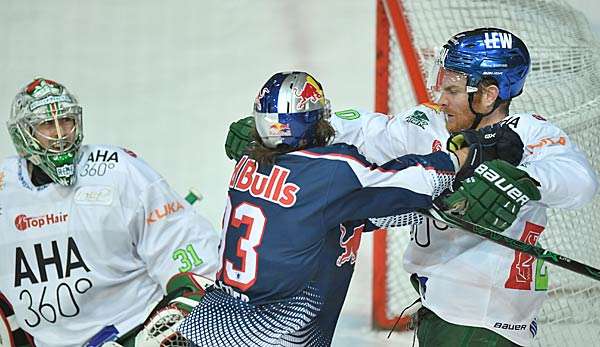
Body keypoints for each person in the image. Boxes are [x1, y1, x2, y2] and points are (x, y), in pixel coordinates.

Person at [224, 29, 599, 346]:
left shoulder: (531, 133)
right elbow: (368, 128)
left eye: (452, 89)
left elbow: (579, 180)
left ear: (486, 94)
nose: (441, 98)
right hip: (441, 314)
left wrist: (528, 181)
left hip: (485, 322)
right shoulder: (430, 125)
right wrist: (283, 126)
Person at [180, 70, 540, 347]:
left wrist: (441, 209)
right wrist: (470, 150)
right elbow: (419, 178)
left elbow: (342, 218)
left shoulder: (247, 164)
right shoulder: (332, 171)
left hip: (212, 321)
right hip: (273, 336)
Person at [0, 78, 220, 347]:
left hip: (134, 332)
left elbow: (189, 251)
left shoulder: (118, 170)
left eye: (67, 121)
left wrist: (176, 318)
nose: (60, 134)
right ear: (24, 133)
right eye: (47, 125)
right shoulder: (4, 186)